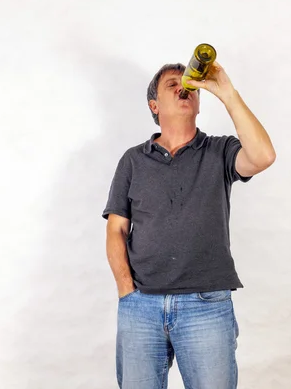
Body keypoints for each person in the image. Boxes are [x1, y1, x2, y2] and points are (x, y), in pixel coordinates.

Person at [101, 60, 276, 388]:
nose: (184, 87)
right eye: (172, 84)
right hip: (141, 306)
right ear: (154, 105)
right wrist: (128, 293)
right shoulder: (133, 161)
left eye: (189, 85)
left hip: (206, 305)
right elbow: (116, 229)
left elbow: (263, 156)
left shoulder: (220, 151)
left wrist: (227, 93)